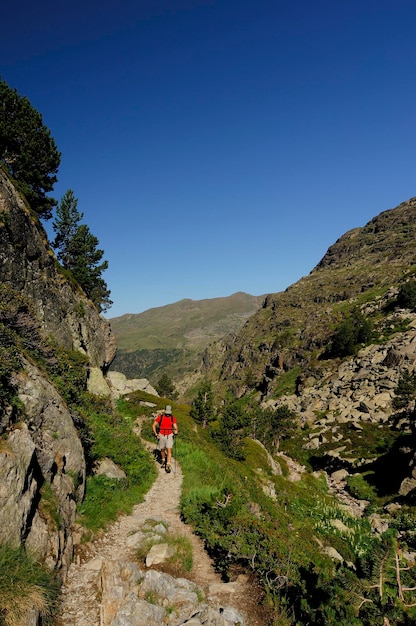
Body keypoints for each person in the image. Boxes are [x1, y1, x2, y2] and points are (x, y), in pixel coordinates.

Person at [152, 405, 178, 473]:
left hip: (169, 435)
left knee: (169, 450)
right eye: (167, 413)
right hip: (161, 435)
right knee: (162, 450)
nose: (168, 414)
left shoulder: (173, 418)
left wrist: (176, 431)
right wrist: (156, 434)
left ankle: (168, 465)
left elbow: (175, 427)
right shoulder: (160, 417)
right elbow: (154, 425)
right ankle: (163, 460)